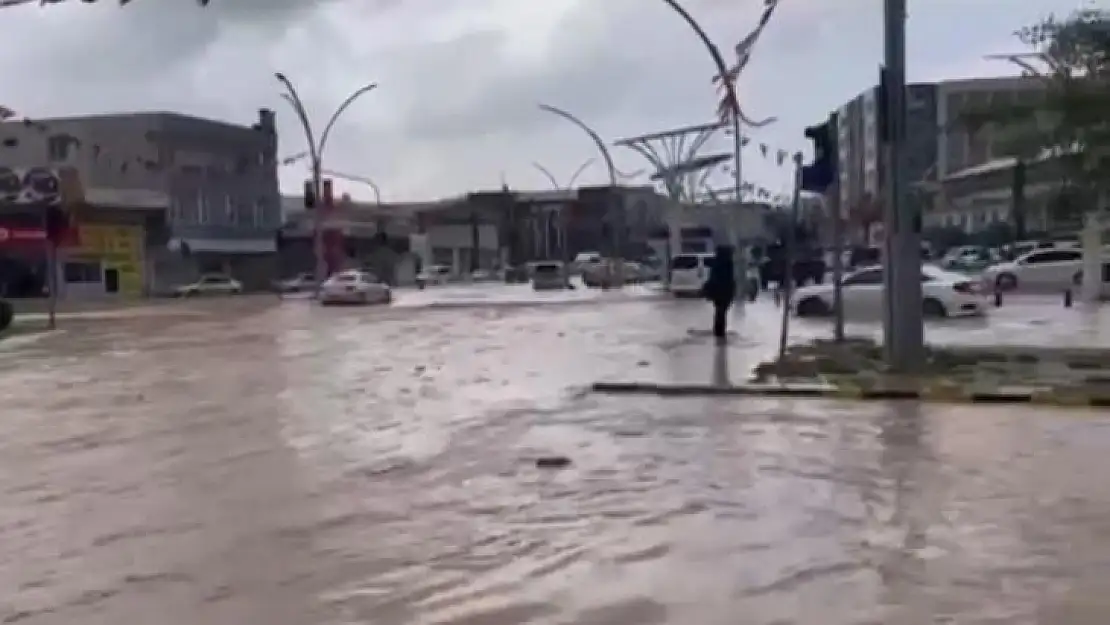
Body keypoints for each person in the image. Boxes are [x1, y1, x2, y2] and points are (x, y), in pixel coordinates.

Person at [702, 246, 737, 339]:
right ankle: (720, 332)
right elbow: (731, 279)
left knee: (719, 311)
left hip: (718, 292)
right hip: (724, 292)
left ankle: (718, 331)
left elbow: (712, 278)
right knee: (722, 311)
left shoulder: (717, 263)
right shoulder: (728, 264)